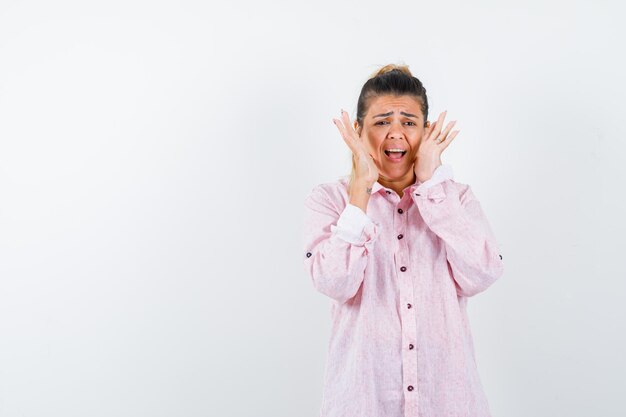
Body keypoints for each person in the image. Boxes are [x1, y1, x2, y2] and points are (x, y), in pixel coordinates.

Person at [301, 64, 505, 417]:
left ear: (426, 133)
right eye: (382, 122)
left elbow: (483, 273)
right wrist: (361, 193)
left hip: (449, 403)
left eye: (408, 122)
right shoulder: (331, 200)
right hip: (363, 403)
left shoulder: (456, 199)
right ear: (357, 130)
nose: (396, 133)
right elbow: (334, 282)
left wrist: (432, 187)